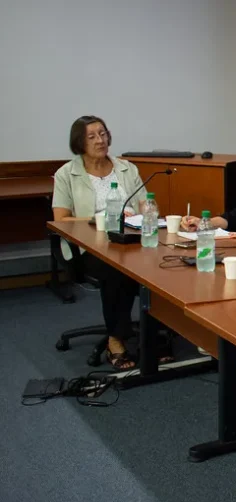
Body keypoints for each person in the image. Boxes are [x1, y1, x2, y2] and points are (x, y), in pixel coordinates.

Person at [52, 115, 147, 370]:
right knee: (118, 270)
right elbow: (61, 219)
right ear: (79, 142)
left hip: (130, 240)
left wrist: (147, 213)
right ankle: (116, 339)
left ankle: (155, 338)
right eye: (92, 136)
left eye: (103, 134)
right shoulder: (66, 174)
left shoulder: (127, 168)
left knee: (159, 264)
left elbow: (145, 204)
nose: (100, 140)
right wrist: (97, 219)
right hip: (86, 247)